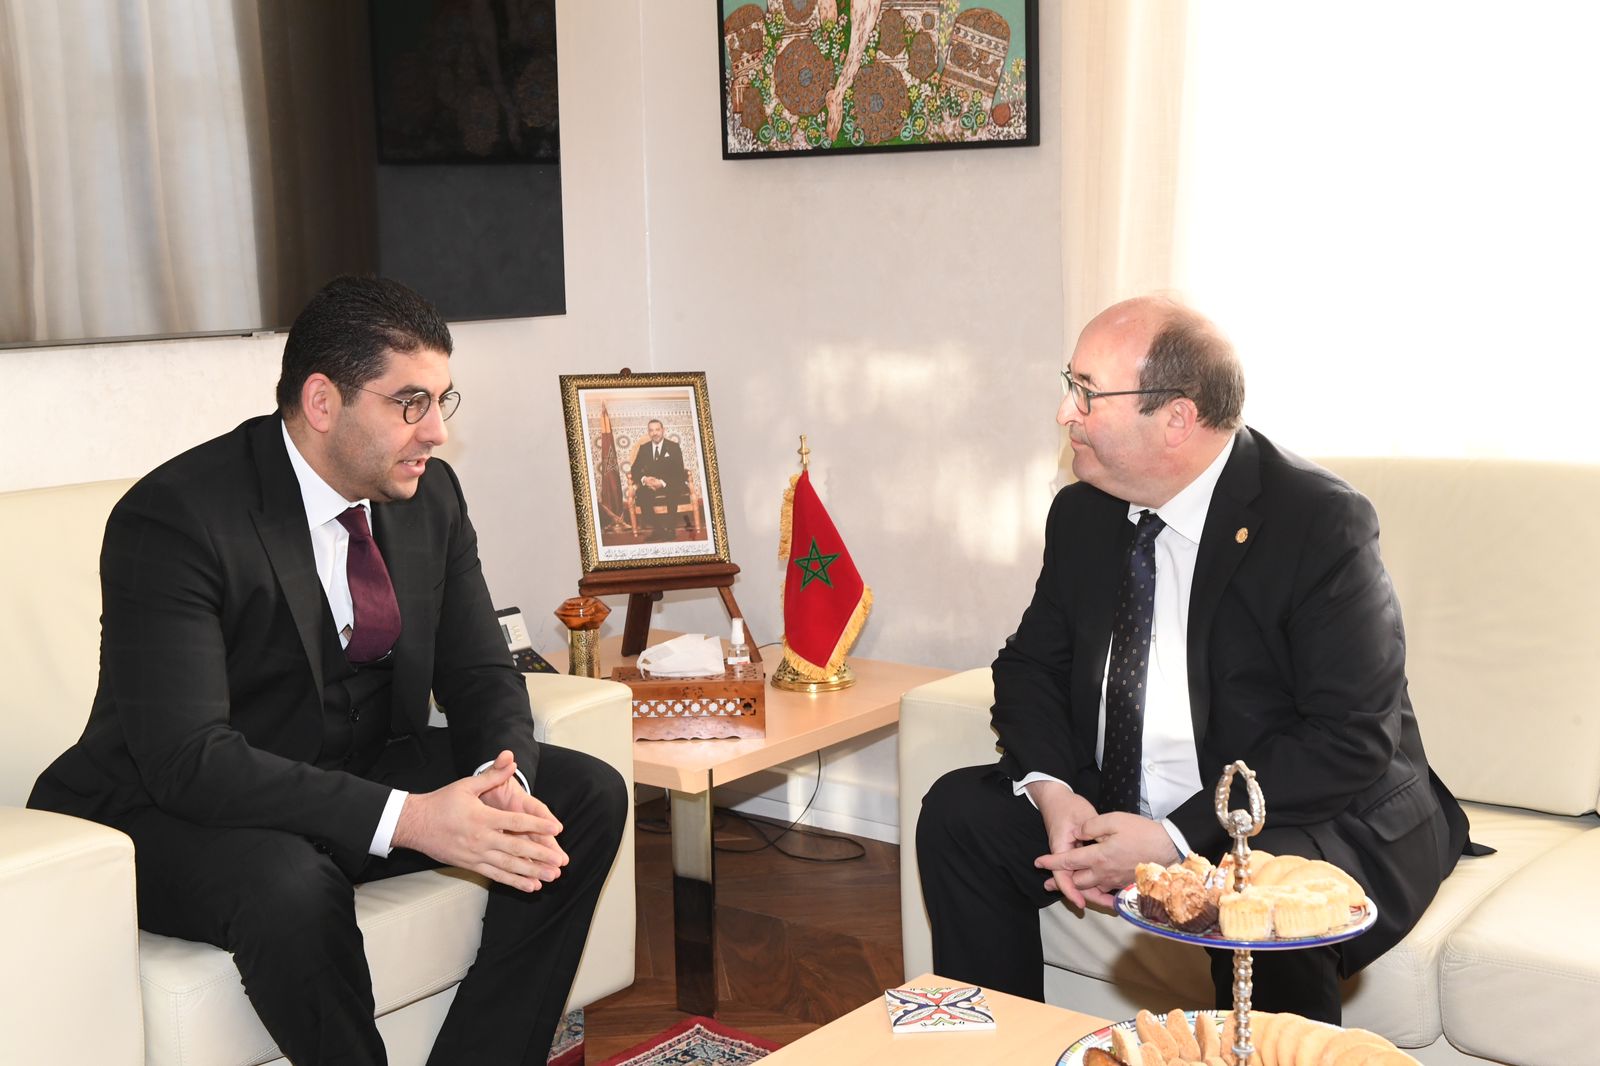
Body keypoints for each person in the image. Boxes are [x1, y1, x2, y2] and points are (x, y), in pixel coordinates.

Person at [28, 276, 628, 1066]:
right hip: (171, 810)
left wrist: (501, 780)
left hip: (352, 766)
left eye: (441, 401)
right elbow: (187, 758)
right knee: (290, 883)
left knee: (582, 796)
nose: (437, 432)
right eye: (410, 403)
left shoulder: (429, 495)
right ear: (321, 402)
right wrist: (411, 819)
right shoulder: (177, 517)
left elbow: (481, 671)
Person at [915, 295, 1475, 1024]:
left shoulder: (1317, 521)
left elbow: (1349, 736)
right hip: (1120, 792)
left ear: (1177, 418)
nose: (1064, 412)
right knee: (961, 814)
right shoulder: (1084, 511)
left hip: (1281, 806)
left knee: (1258, 902)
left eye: (1086, 391)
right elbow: (1031, 668)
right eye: (1069, 384)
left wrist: (1176, 838)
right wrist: (1055, 792)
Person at [630, 418, 688, 541]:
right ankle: (658, 530)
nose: (654, 433)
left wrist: (662, 483)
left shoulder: (673, 447)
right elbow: (634, 469)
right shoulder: (644, 448)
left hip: (668, 483)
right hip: (650, 484)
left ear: (663, 430)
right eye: (651, 430)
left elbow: (679, 471)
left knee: (673, 490)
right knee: (642, 494)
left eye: (657, 429)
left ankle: (670, 530)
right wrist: (645, 479)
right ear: (648, 432)